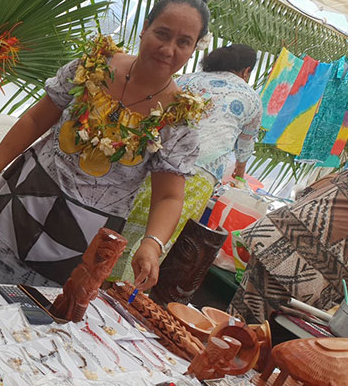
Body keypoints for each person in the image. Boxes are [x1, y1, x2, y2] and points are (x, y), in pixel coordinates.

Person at [0, 0, 210, 291]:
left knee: (40, 324)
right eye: (162, 33)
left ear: (194, 48)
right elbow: (34, 120)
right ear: (145, 28)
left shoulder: (178, 119)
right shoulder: (94, 66)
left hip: (85, 243)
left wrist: (152, 244)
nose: (168, 49)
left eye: (183, 42)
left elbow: (168, 196)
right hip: (22, 206)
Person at [110, 44, 263, 281]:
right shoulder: (251, 98)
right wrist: (239, 175)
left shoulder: (187, 79)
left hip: (154, 159)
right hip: (201, 173)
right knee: (159, 236)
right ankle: (125, 290)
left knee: (130, 220)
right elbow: (245, 145)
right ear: (247, 70)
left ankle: (101, 274)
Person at [229, 165, 348, 323]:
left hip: (277, 239)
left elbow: (309, 190)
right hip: (303, 265)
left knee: (241, 319)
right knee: (252, 331)